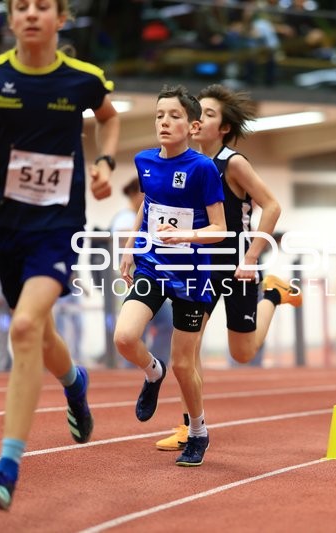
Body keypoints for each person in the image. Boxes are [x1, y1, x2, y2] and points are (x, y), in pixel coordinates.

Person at [0, 0, 119, 511]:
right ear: (11, 19)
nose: (32, 14)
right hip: (4, 226)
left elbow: (109, 119)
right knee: (38, 331)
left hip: (58, 226)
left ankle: (6, 469)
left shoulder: (82, 78)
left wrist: (104, 161)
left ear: (61, 19)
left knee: (22, 329)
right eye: (21, 6)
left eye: (43, 7)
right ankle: (74, 382)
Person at [154, 83, 299, 453]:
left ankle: (273, 293)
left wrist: (251, 259)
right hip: (201, 267)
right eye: (197, 112)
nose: (199, 119)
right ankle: (191, 427)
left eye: (209, 115)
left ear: (224, 129)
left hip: (236, 267)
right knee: (187, 352)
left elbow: (272, 206)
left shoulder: (232, 163)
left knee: (243, 353)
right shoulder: (187, 163)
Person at [113, 85, 226, 468]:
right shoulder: (144, 160)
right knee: (125, 337)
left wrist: (187, 235)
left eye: (174, 116)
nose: (164, 122)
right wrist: (130, 246)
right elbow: (146, 207)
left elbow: (219, 228)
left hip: (192, 275)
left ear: (193, 126)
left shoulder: (203, 168)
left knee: (184, 364)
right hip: (152, 265)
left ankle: (197, 431)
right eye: (159, 115)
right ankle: (151, 371)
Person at [110, 177, 173, 368]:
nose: (147, 196)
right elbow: (125, 246)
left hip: (144, 278)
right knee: (146, 327)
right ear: (134, 193)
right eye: (143, 192)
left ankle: (153, 363)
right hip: (133, 278)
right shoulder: (125, 218)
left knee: (161, 323)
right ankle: (141, 366)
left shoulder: (133, 217)